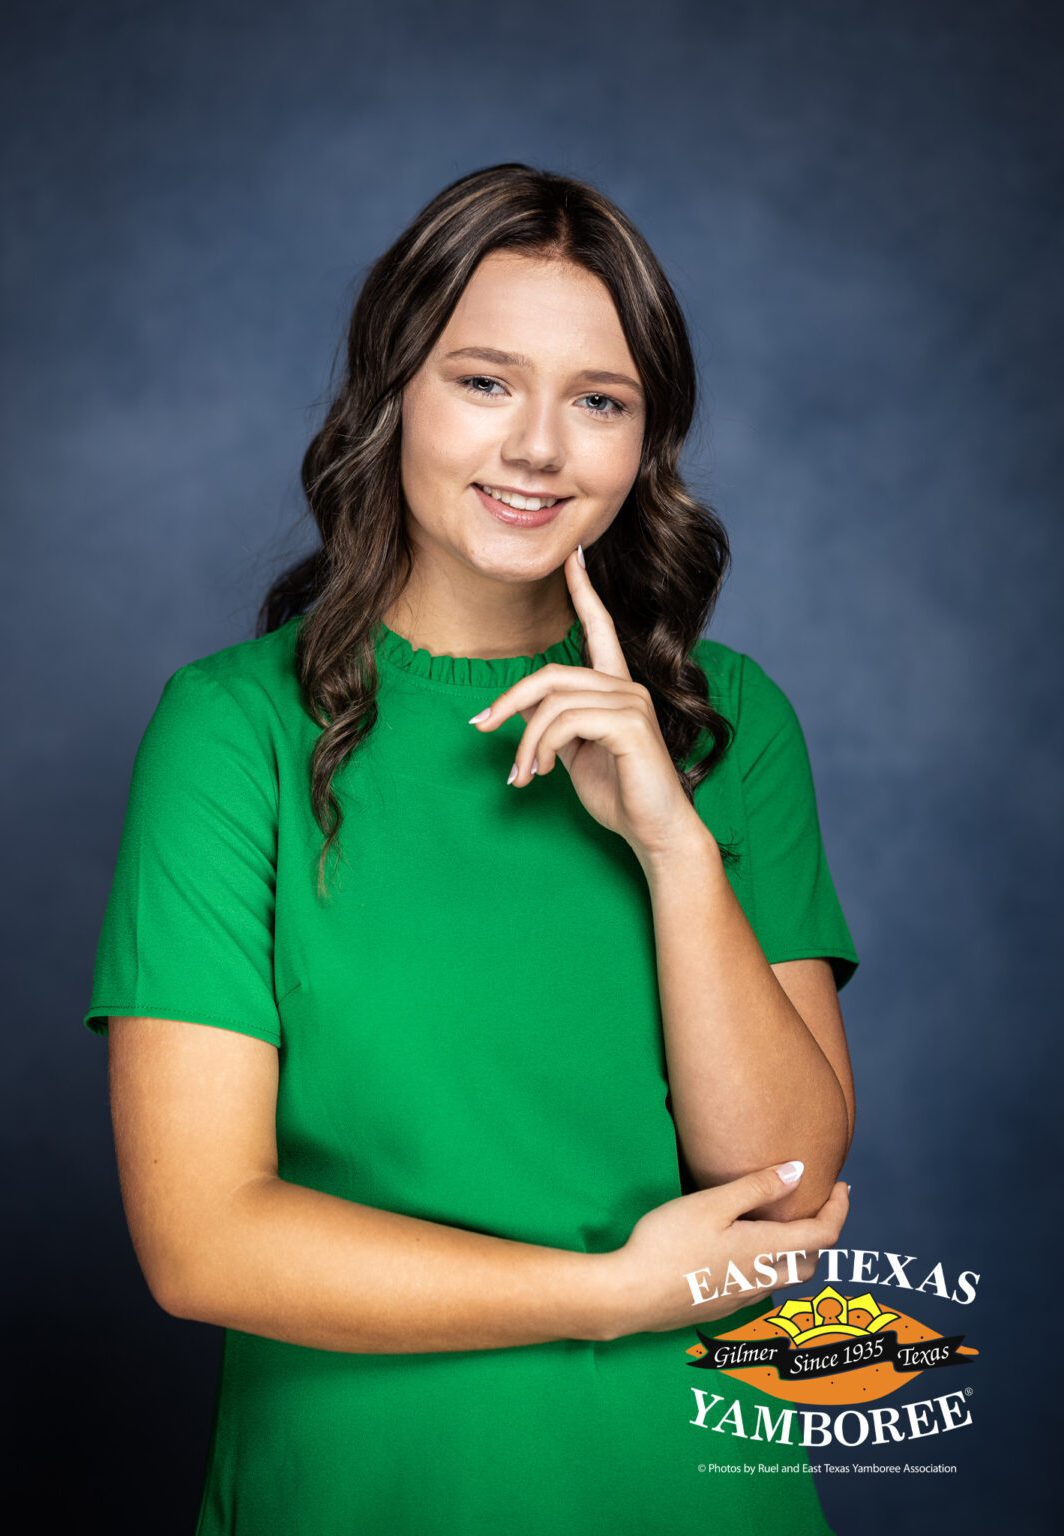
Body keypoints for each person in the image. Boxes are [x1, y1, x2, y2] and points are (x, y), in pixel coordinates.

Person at [83, 163, 858, 1535]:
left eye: (599, 401)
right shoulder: (233, 731)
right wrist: (606, 1293)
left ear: (647, 441)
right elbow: (203, 1243)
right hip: (363, 1489)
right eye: (485, 381)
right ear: (390, 395)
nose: (541, 449)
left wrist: (675, 850)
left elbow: (781, 1190)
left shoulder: (730, 721)